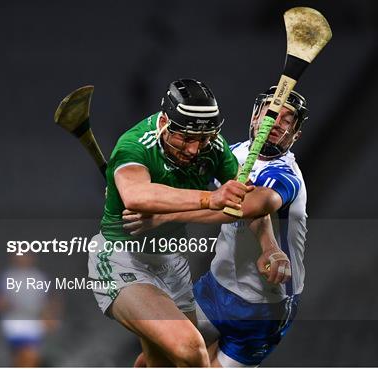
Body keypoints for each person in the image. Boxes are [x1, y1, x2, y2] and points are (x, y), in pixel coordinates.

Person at [124, 87, 308, 367]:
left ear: (296, 135)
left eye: (286, 120)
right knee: (150, 362)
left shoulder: (284, 175)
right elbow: (186, 182)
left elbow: (246, 207)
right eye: (271, 113)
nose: (274, 122)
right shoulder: (234, 154)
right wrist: (136, 186)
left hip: (260, 308)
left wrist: (163, 216)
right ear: (256, 115)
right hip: (214, 288)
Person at [87, 78, 257, 367]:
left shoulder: (212, 146)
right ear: (165, 121)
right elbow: (136, 195)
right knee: (190, 348)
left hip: (171, 264)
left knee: (161, 362)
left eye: (202, 139)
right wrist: (209, 198)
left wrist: (269, 246)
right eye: (186, 138)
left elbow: (249, 203)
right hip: (122, 261)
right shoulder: (135, 144)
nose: (194, 149)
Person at [0, 254, 61, 367]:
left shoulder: (39, 277)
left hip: (34, 322)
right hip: (14, 322)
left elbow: (51, 299)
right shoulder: (7, 277)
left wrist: (50, 317)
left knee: (30, 356)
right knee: (19, 357)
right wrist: (4, 304)